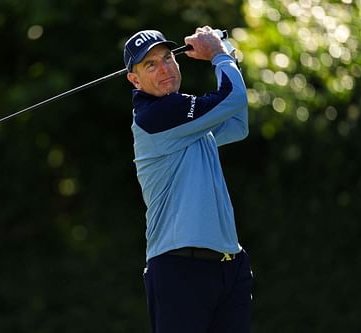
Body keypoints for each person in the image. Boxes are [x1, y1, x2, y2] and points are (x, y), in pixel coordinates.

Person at [123, 26, 252, 333]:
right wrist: (218, 53)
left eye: (167, 58)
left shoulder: (185, 118)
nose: (164, 68)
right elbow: (233, 98)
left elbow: (237, 122)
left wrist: (225, 50)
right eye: (150, 65)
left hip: (229, 265)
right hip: (179, 267)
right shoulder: (154, 116)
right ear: (135, 80)